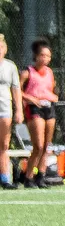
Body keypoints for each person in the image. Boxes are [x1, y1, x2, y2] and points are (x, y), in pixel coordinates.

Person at [20, 40, 57, 188]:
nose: (45, 58)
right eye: (42, 55)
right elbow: (17, 91)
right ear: (36, 56)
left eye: (48, 56)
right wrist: (31, 99)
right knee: (38, 146)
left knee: (47, 145)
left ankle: (40, 176)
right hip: (34, 108)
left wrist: (53, 97)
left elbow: (50, 90)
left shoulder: (50, 72)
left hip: (48, 108)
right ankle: (28, 177)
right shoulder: (27, 72)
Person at [0, 35, 21, 189]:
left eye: (1, 47)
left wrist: (19, 110)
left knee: (4, 145)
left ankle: (5, 179)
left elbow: (16, 89)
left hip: (4, 110)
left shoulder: (10, 66)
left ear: (5, 49)